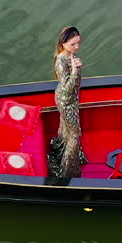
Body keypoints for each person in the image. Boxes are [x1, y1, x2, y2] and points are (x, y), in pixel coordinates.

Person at [47, 26, 86, 184]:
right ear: (63, 44)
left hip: (73, 99)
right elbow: (66, 87)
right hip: (66, 101)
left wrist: (77, 69)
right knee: (75, 134)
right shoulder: (61, 62)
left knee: (66, 129)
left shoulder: (70, 55)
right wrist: (75, 72)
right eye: (73, 44)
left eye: (78, 43)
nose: (76, 47)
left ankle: (61, 152)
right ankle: (67, 171)